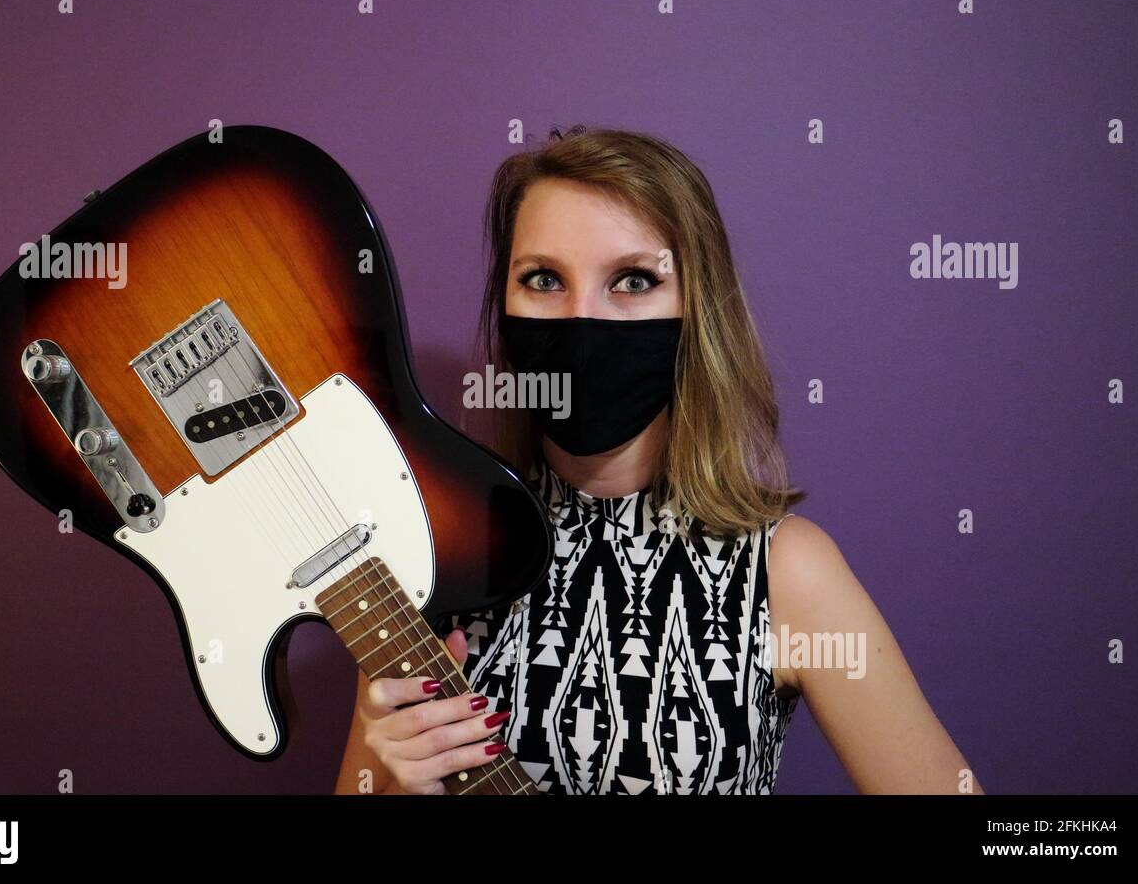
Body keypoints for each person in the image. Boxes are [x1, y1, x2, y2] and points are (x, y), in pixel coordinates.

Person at [334, 126, 983, 795]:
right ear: (504, 304)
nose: (581, 322)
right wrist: (384, 780)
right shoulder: (432, 552)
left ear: (694, 310)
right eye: (544, 279)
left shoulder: (784, 570)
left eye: (634, 279)